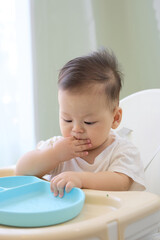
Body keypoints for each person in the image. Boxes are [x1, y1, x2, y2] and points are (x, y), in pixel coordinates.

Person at [16, 48, 145, 197]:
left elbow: (121, 183)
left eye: (89, 122)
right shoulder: (58, 148)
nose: (76, 129)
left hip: (112, 218)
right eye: (67, 120)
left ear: (115, 118)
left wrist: (80, 179)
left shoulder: (122, 151)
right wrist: (54, 154)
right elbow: (21, 171)